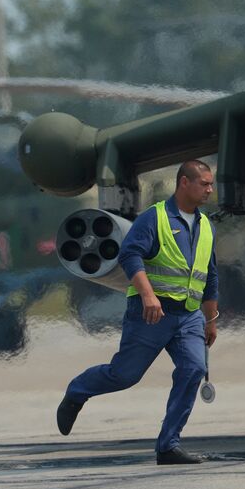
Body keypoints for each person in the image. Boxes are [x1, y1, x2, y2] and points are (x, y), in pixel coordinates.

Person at [56, 160, 219, 465]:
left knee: (193, 370)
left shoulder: (206, 226)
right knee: (124, 375)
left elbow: (210, 277)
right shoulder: (154, 218)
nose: (210, 189)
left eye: (211, 184)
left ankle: (168, 446)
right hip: (151, 313)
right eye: (205, 183)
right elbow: (130, 254)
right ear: (184, 183)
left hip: (188, 316)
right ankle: (78, 391)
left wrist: (210, 320)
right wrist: (148, 296)